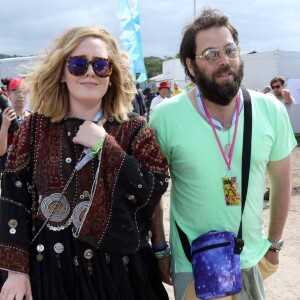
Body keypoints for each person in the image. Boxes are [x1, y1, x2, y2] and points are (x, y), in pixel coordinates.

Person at [0, 26, 170, 300]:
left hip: (121, 276)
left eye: (101, 65)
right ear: (63, 74)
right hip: (51, 274)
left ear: (111, 75)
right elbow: (13, 198)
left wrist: (106, 146)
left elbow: (152, 192)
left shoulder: (135, 129)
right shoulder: (33, 129)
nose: (90, 72)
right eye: (78, 64)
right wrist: (16, 271)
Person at [150, 8, 297, 300]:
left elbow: (282, 183)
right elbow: (153, 192)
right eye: (211, 54)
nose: (224, 61)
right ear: (191, 66)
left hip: (251, 259)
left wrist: (274, 245)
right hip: (194, 264)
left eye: (230, 50)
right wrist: (160, 247)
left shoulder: (270, 110)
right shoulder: (165, 118)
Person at [0, 77, 30, 178]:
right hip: (9, 172)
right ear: (8, 95)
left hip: (29, 172)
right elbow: (1, 151)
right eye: (16, 92)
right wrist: (5, 125)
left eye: (24, 92)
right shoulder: (3, 117)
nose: (21, 95)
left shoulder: (33, 117)